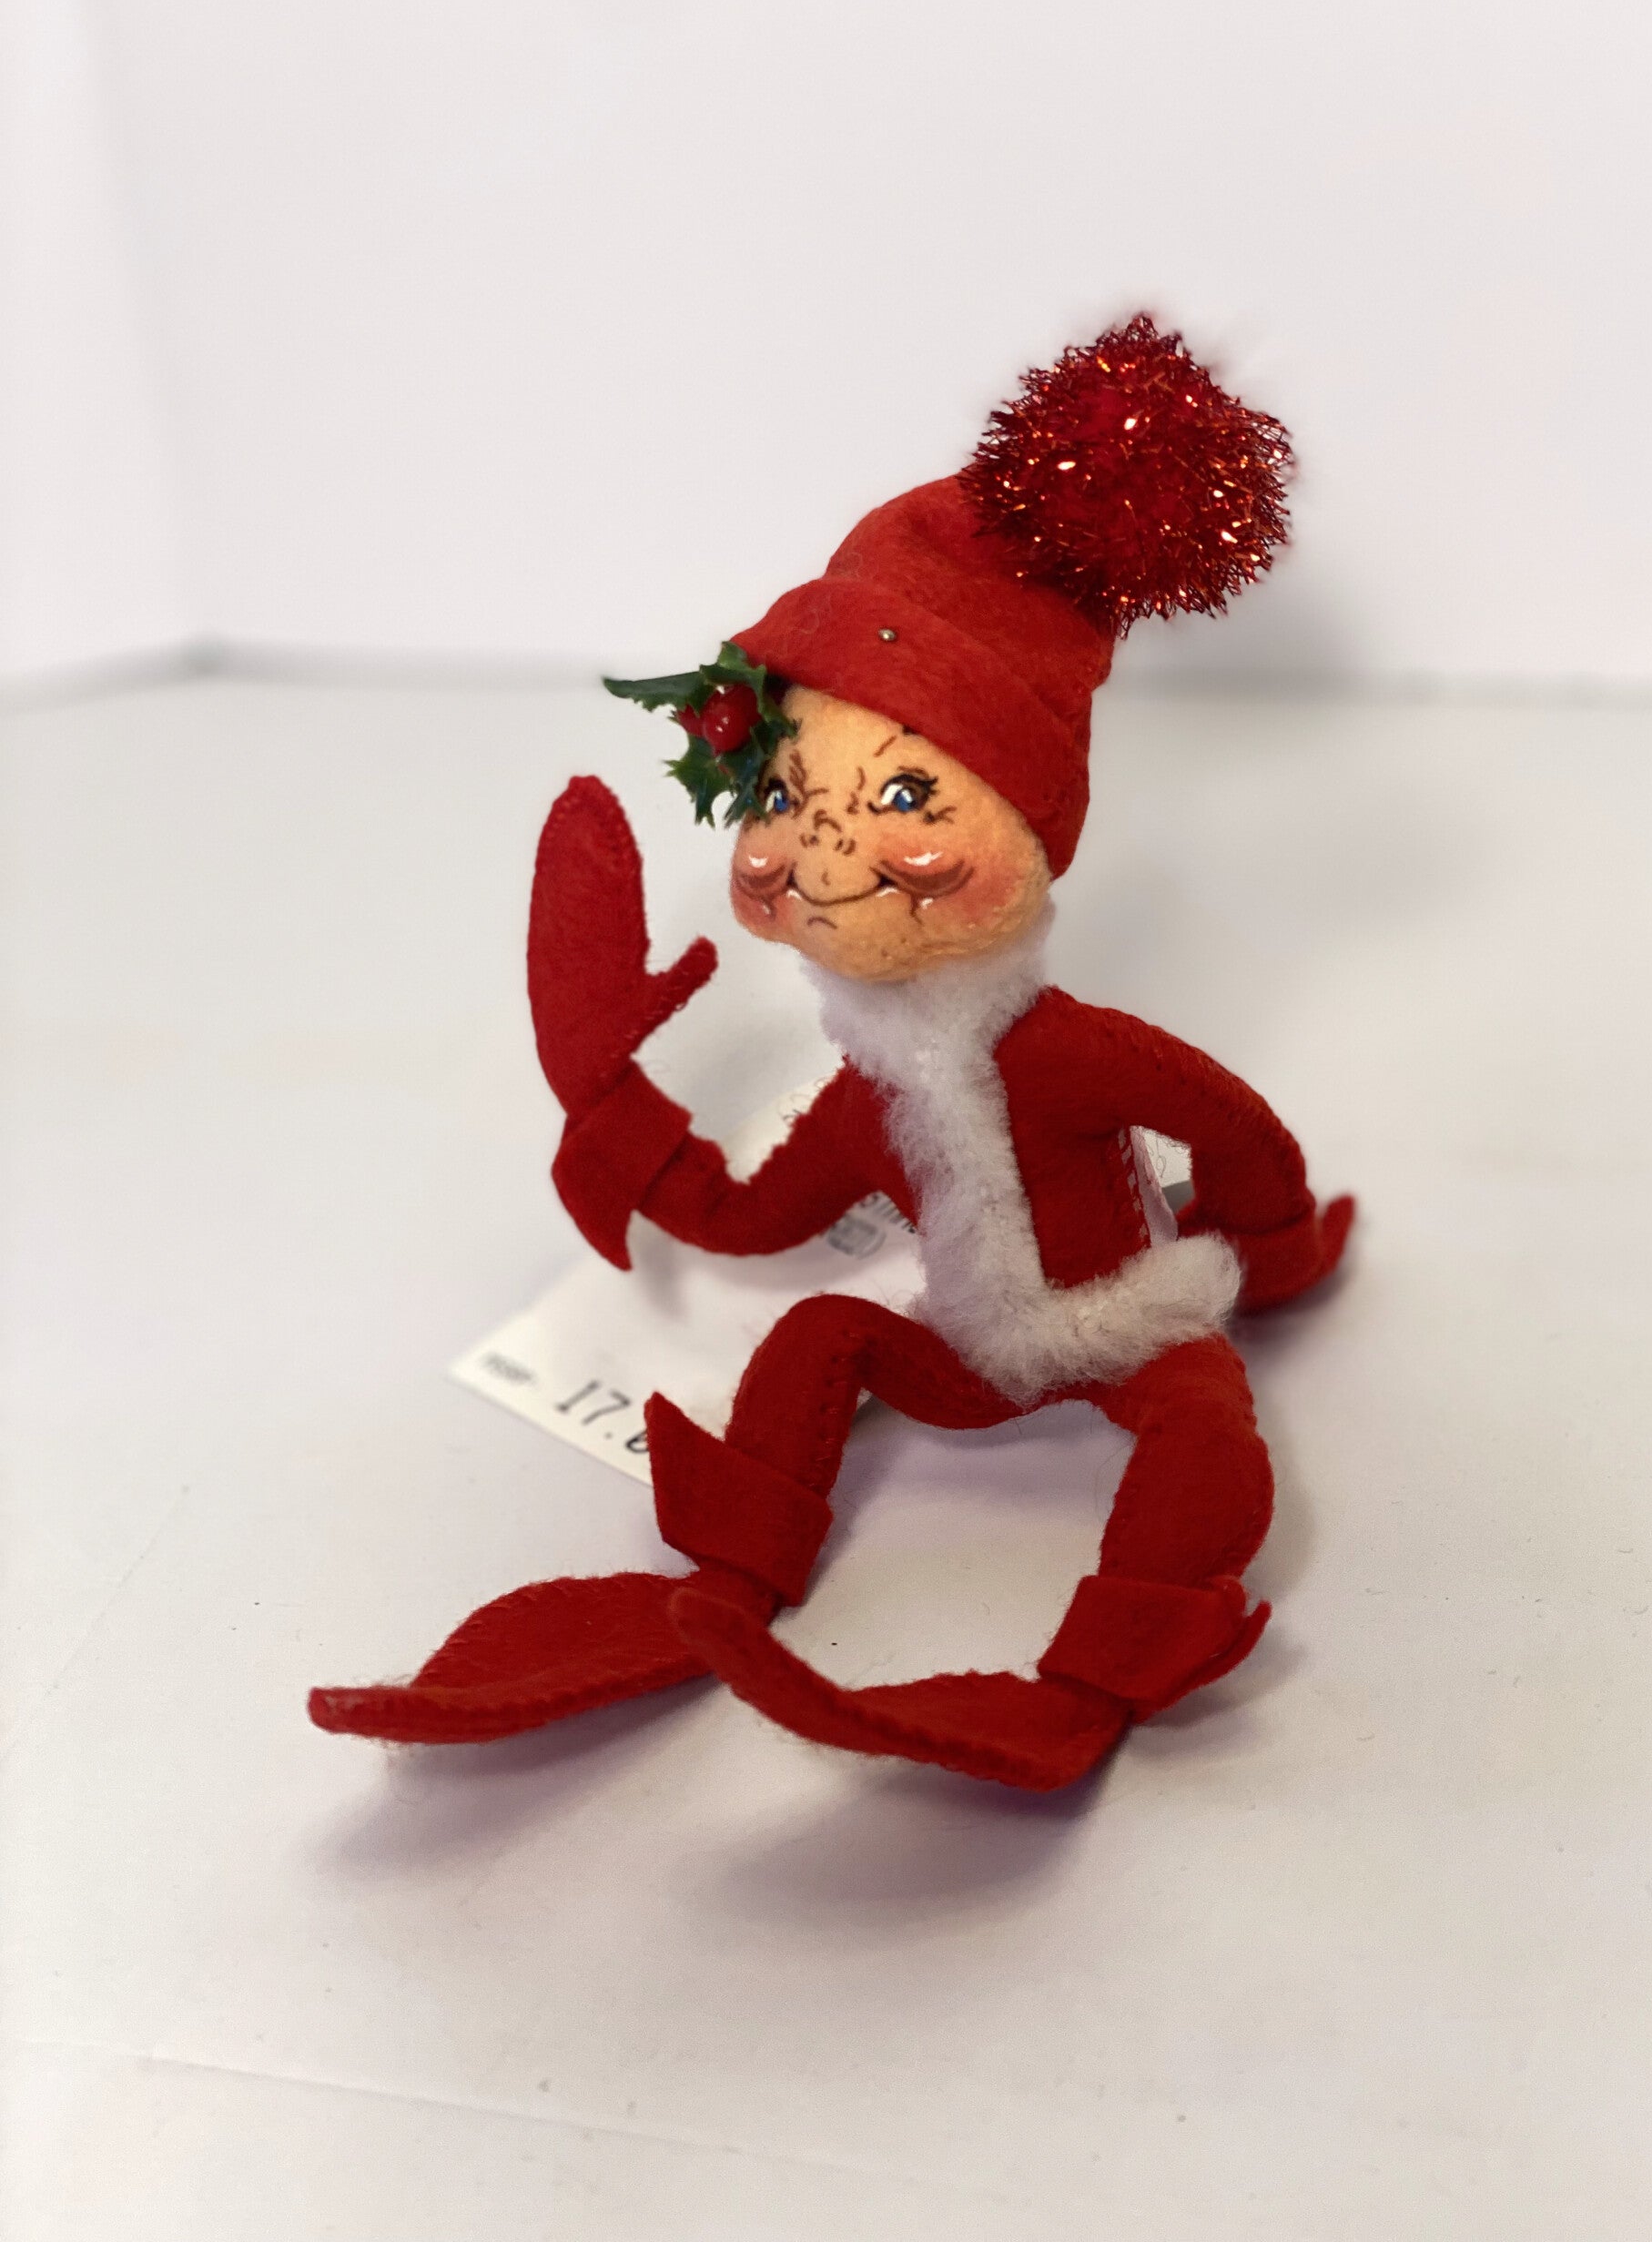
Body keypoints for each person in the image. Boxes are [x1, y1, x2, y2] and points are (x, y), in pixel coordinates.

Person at [310, 318, 1353, 1791]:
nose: (822, 851)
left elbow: (1238, 1133)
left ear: (1030, 835)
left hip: (1132, 1325)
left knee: (1204, 1434)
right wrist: (609, 1102)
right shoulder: (871, 1103)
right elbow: (749, 1216)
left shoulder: (1076, 1056)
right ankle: (723, 1587)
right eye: (793, 797)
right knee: (816, 1341)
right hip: (968, 1354)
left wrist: (1275, 1252)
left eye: (907, 795)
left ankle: (1102, 1671)